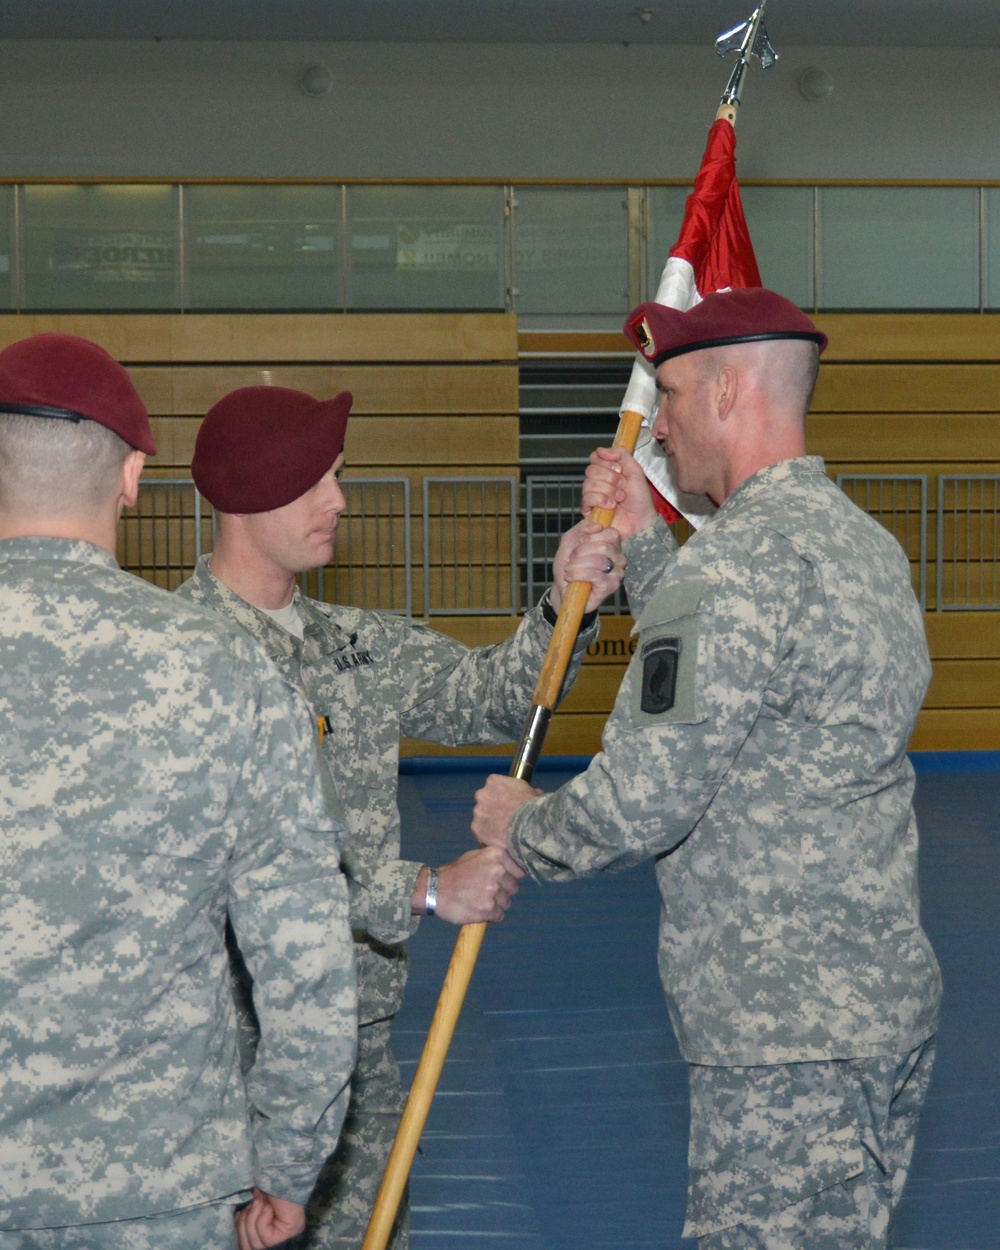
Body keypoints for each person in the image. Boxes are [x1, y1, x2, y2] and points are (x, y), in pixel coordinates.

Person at [471, 287, 943, 1250]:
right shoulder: (866, 547)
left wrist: (523, 824)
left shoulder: (732, 569)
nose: (665, 429)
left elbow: (642, 797)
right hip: (874, 1006)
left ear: (730, 391)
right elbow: (747, 694)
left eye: (675, 398)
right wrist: (649, 546)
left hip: (782, 1034)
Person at [176, 383, 624, 1249]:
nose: (338, 501)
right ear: (245, 491)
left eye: (338, 476)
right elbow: (242, 871)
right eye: (313, 481)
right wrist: (423, 890)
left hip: (356, 1046)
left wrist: (565, 601)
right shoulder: (184, 659)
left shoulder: (356, 643)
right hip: (226, 1061)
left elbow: (492, 698)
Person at [0, 334, 357, 1250]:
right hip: (159, 1189)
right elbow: (306, 963)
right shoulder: (223, 669)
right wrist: (286, 1164)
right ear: (131, 478)